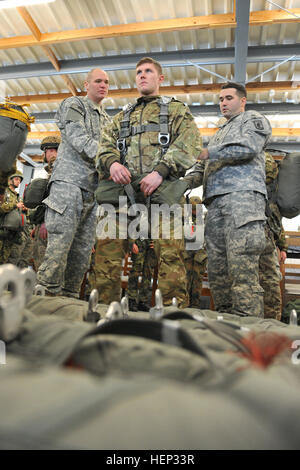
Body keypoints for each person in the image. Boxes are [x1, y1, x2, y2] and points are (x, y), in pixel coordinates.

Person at [97, 57, 202, 307]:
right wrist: (112, 162)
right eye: (139, 72)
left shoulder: (176, 111)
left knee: (171, 259)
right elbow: (103, 147)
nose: (142, 75)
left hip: (162, 194)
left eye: (148, 71)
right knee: (106, 257)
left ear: (160, 78)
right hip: (123, 196)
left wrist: (162, 170)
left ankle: (173, 319)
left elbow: (191, 143)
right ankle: (101, 316)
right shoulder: (122, 117)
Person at [184, 81, 272, 317]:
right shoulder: (218, 134)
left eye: (228, 98)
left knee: (242, 270)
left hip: (242, 202)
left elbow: (248, 147)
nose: (223, 103)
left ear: (242, 100)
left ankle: (248, 332)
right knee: (218, 271)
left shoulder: (252, 119)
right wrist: (179, 182)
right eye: (221, 99)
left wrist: (209, 152)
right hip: (214, 206)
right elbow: (201, 169)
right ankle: (225, 325)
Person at [36, 68, 110, 297]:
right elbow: (79, 139)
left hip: (92, 191)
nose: (103, 85)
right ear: (86, 85)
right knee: (59, 248)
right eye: (98, 81)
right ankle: (43, 300)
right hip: (68, 185)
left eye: (106, 82)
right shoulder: (74, 104)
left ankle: (68, 301)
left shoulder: (108, 120)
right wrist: (110, 160)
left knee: (82, 253)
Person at [259, 152, 288, 320]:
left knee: (269, 285)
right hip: (260, 241)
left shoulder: (270, 201)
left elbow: (278, 224)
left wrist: (283, 247)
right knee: (267, 285)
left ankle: (271, 322)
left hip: (268, 241)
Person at [30, 135, 61, 270]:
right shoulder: (62, 168)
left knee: (43, 266)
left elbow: (55, 197)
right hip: (51, 223)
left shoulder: (57, 167)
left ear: (48, 151)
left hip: (50, 225)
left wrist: (44, 223)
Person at [183, 196, 207, 309]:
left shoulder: (205, 219)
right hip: (186, 254)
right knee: (185, 279)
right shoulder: (184, 218)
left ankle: (195, 304)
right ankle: (184, 302)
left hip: (200, 255)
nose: (194, 211)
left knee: (197, 281)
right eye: (192, 209)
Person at [0, 171, 25, 264]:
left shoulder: (17, 196)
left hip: (10, 234)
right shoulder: (4, 192)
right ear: (10, 180)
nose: (18, 182)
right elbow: (1, 208)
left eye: (20, 180)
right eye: (16, 179)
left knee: (5, 260)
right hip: (2, 230)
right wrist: (15, 205)